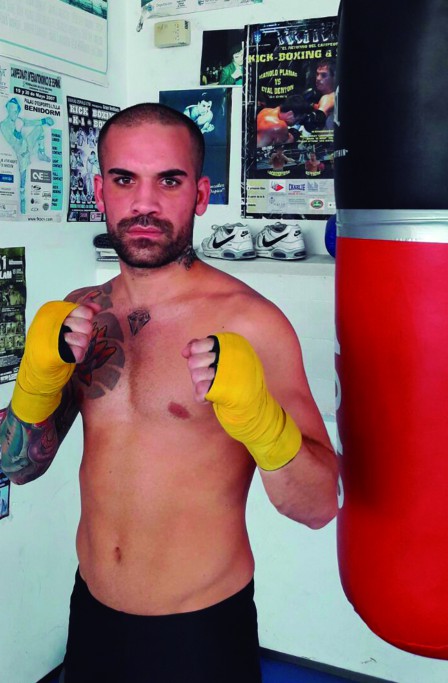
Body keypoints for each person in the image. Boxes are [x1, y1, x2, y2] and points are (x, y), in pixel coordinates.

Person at [0, 103, 337, 682]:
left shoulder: (252, 325)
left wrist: (259, 421)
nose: (145, 204)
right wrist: (33, 385)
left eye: (170, 180)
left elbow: (318, 506)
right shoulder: (84, 312)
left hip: (201, 631)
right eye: (124, 179)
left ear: (201, 195)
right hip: (93, 616)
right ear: (100, 191)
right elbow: (15, 467)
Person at [0, 97, 54, 214]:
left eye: (15, 111)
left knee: (39, 129)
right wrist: (18, 132)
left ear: (18, 111)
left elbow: (30, 122)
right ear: (7, 110)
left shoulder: (18, 119)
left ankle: (41, 153)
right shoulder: (3, 125)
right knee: (23, 173)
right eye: (10, 111)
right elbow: (13, 141)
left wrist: (44, 120)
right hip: (21, 151)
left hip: (26, 145)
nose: (13, 113)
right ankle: (22, 196)